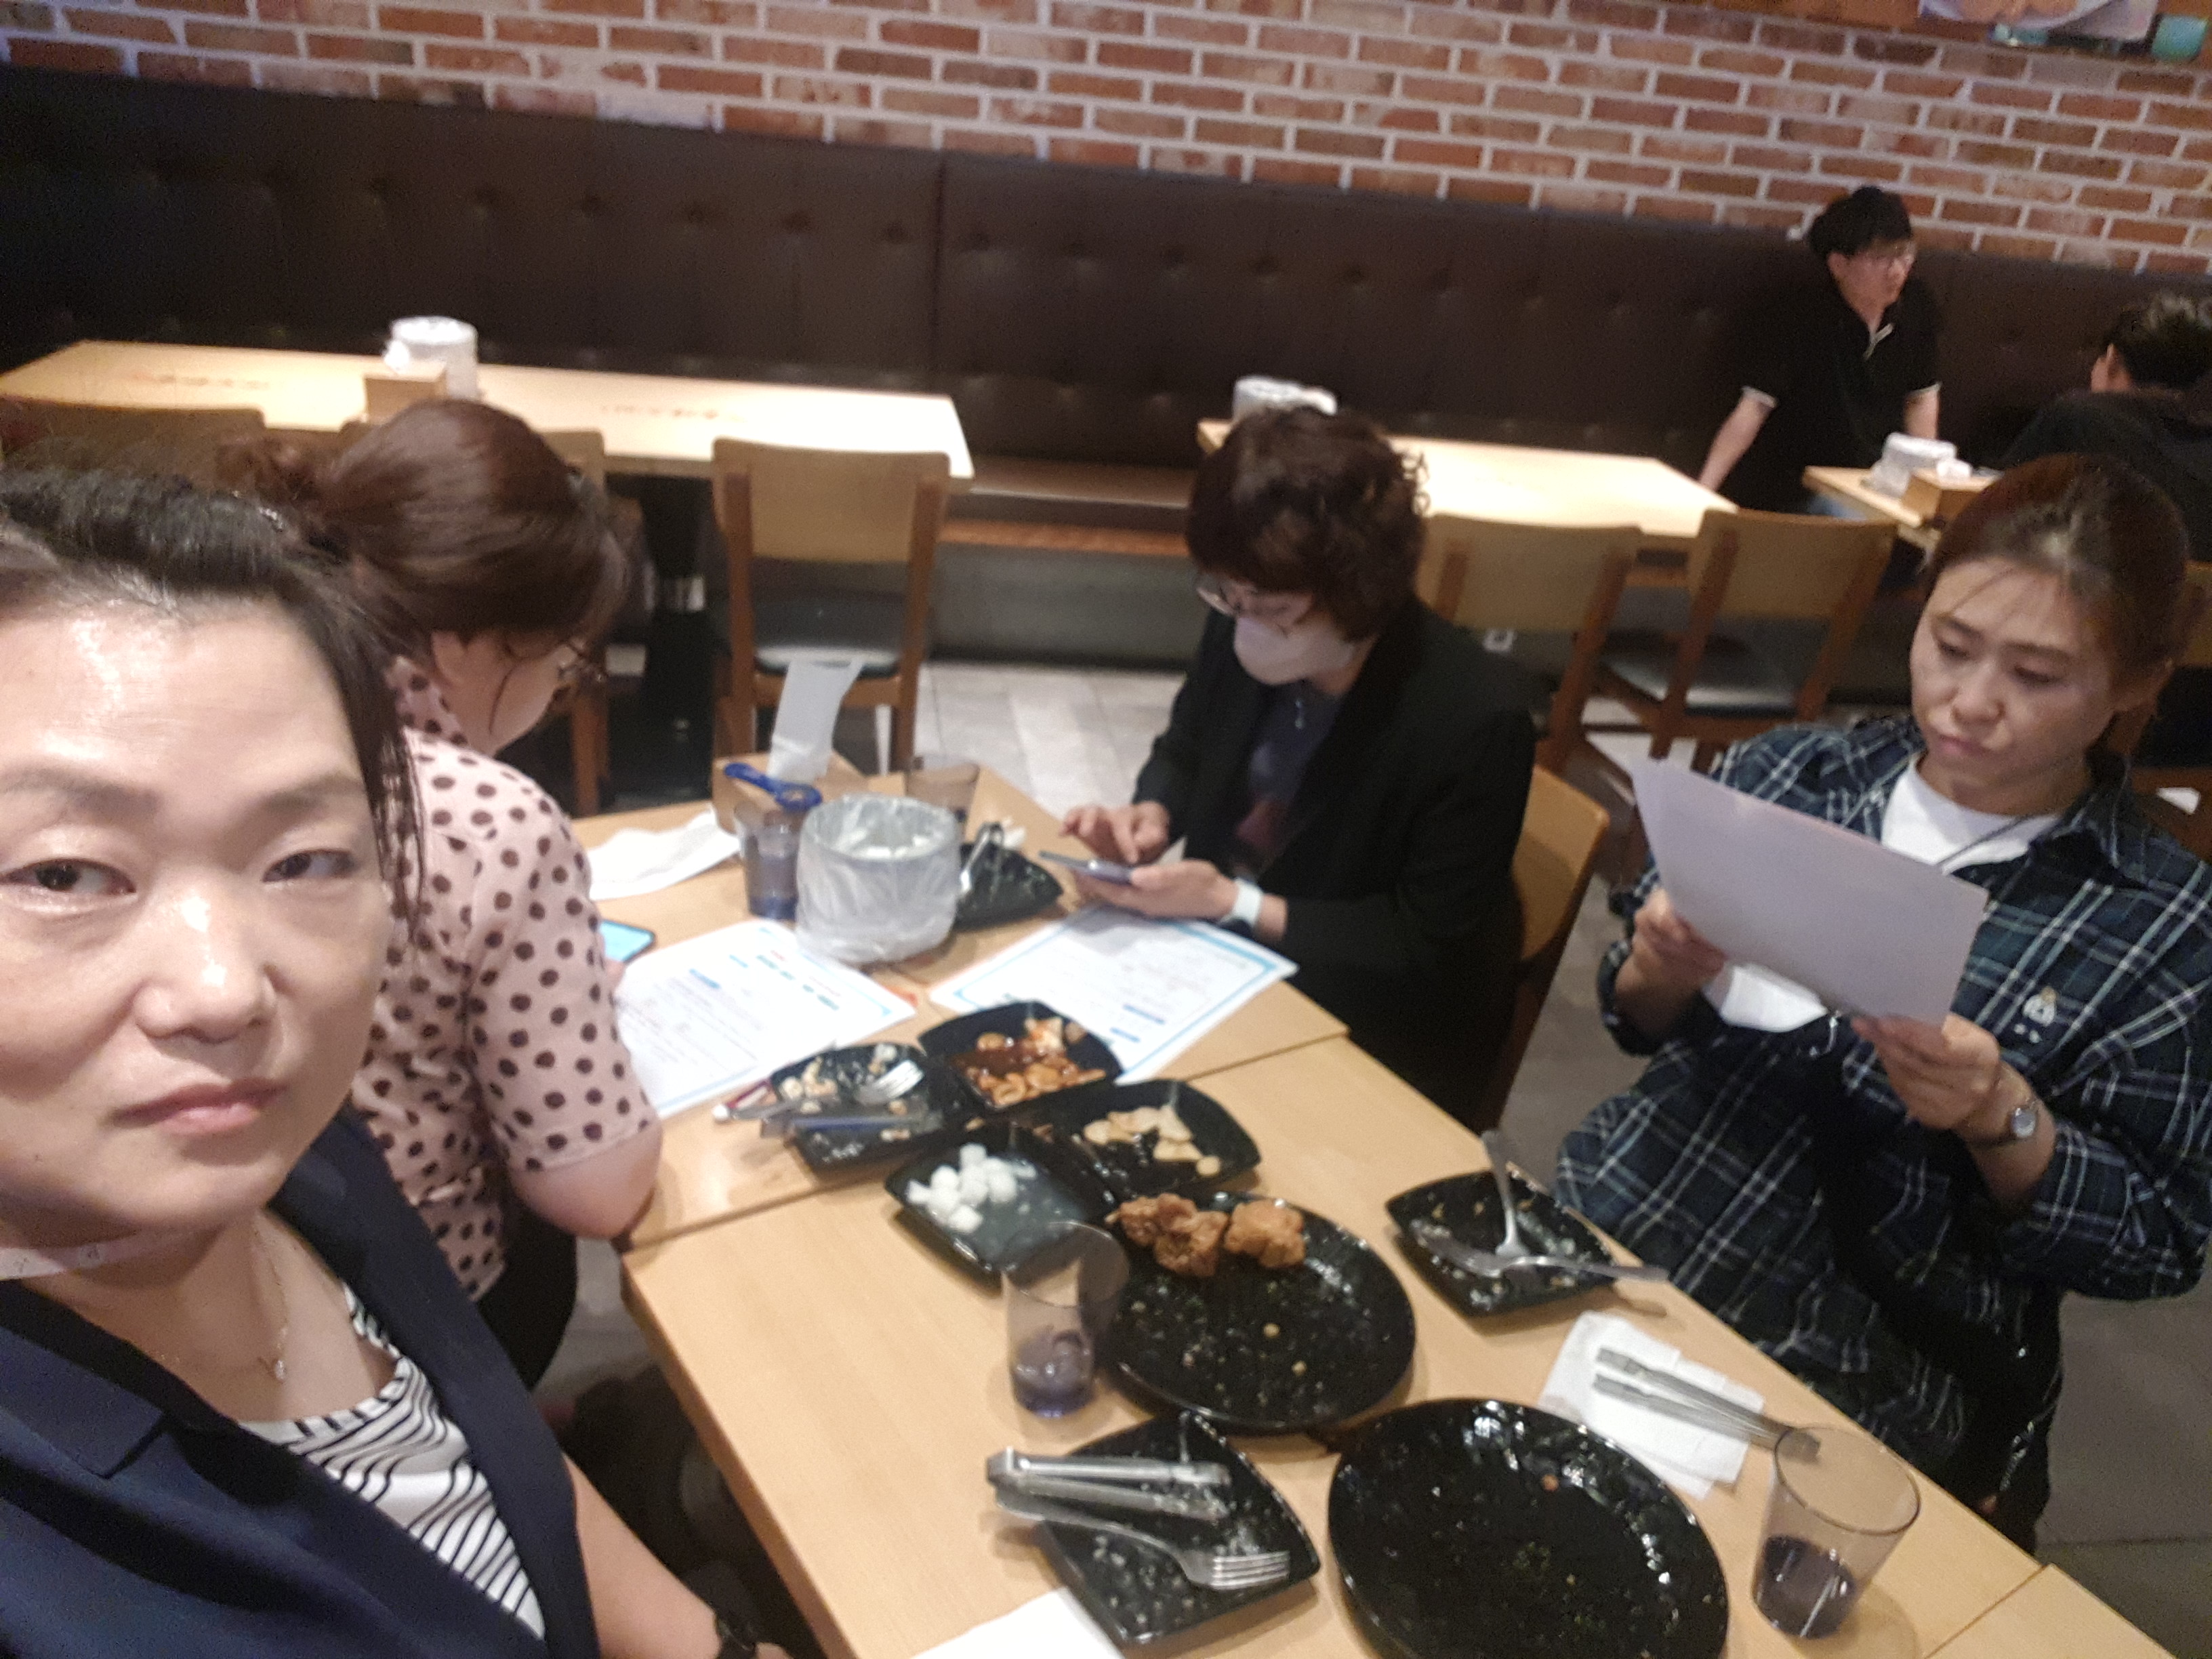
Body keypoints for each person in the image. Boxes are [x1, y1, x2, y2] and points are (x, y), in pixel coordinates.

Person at [0, 468, 777, 1657]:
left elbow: (506, 1466)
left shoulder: (297, 1158)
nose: (227, 990)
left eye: (306, 859)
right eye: (65, 873)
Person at [1555, 454, 2212, 1547]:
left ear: (2139, 682)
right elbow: (1632, 1020)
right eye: (1950, 646)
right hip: (1620, 1239)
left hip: (1856, 1380)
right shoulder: (1793, 777)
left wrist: (2001, 1112)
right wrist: (1661, 964)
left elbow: (2157, 1240)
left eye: (2038, 675)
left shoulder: (2162, 924)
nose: (1971, 702)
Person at [228, 401, 657, 1387]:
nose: (559, 691)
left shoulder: (242, 711)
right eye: (565, 664)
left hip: (228, 1270)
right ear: (466, 641)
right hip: (415, 1302)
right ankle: (502, 1432)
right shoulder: (492, 820)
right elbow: (597, 1191)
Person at [1060, 407, 1536, 1124]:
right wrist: (1152, 814)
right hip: (1224, 969)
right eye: (1227, 592)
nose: (1243, 618)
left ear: (1359, 592)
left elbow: (1423, 946)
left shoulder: (1472, 719)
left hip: (1368, 1027)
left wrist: (1234, 902)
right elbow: (1187, 746)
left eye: (1273, 605)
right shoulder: (1243, 609)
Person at [2003, 292, 2212, 766]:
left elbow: (1993, 514)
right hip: (2194, 723)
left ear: (2112, 360)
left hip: (2080, 702)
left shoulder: (2079, 418)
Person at [1699, 186, 1943, 514]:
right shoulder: (1800, 315)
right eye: (1880, 258)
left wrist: (1926, 485)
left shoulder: (1917, 307)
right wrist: (1703, 493)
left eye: (1904, 254)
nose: (1897, 270)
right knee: (1855, 520)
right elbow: (1754, 407)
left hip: (1876, 480)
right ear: (1839, 265)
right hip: (1801, 485)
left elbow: (1921, 399)